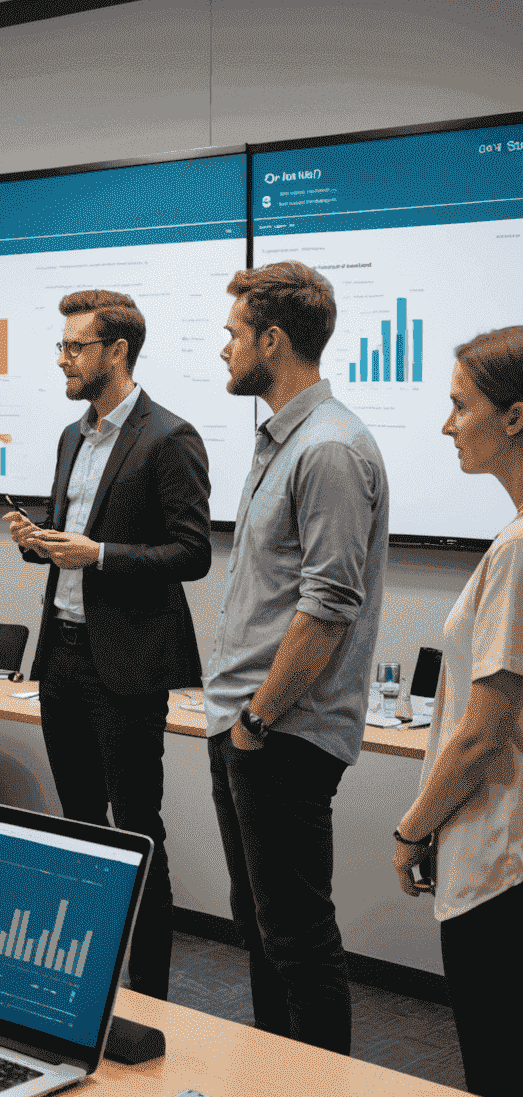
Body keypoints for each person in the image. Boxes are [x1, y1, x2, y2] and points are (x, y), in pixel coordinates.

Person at [203, 261, 388, 1056]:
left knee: (300, 943)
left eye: (234, 335)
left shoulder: (332, 449)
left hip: (283, 732)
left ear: (272, 341)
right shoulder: (284, 439)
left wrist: (255, 720)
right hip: (251, 724)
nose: (224, 351)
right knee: (264, 932)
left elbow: (326, 611)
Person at [4, 290, 210, 1000]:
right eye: (61, 346)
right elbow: (74, 546)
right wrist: (40, 542)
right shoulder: (72, 437)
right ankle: (87, 982)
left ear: (116, 352)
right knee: (79, 827)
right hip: (60, 654)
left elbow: (191, 554)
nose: (63, 358)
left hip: (124, 667)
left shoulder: (168, 438)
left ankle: (150, 990)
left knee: (136, 829)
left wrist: (98, 555)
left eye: (75, 347)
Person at [393, 326, 523, 1097]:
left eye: (461, 405)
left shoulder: (520, 551)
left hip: (500, 865)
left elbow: (481, 737)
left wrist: (410, 830)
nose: (446, 426)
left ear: (516, 416)